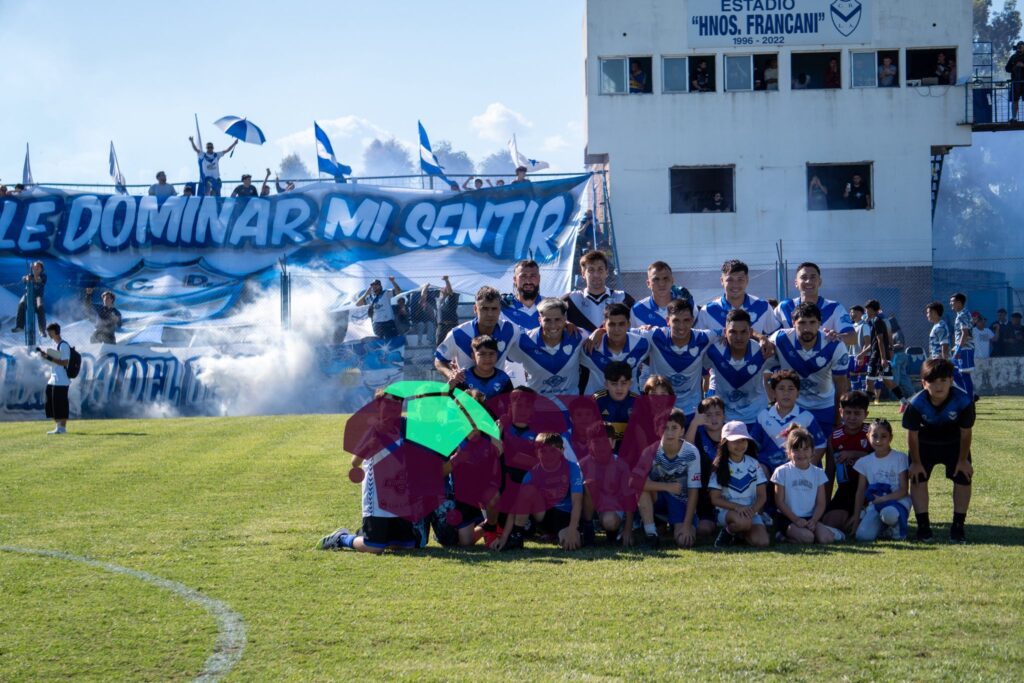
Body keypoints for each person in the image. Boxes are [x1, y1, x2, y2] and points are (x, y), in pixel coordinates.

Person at [318, 393, 428, 553]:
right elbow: (354, 462)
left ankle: (367, 534)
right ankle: (341, 538)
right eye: (388, 404)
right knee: (374, 548)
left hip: (399, 497)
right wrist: (370, 445)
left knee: (406, 546)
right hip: (377, 497)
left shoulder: (405, 426)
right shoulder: (374, 429)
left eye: (397, 404)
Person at [903, 358, 975, 543]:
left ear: (951, 380)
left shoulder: (963, 401)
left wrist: (963, 460)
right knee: (917, 478)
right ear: (923, 383)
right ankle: (923, 527)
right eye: (933, 381)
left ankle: (958, 527)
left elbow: (966, 433)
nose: (938, 386)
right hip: (925, 444)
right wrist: (916, 463)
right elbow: (912, 435)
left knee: (963, 476)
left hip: (954, 444)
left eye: (943, 380)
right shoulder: (915, 404)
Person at [767, 302, 851, 436]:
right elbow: (764, 367)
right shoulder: (780, 339)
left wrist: (837, 417)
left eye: (812, 322)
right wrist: (773, 400)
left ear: (819, 323)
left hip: (824, 406)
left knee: (828, 446)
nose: (807, 328)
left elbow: (841, 384)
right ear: (793, 323)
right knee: (790, 447)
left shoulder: (834, 344)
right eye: (802, 323)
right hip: (792, 407)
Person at [493, 432, 584, 551]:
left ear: (562, 451)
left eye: (553, 451)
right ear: (537, 453)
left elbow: (577, 502)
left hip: (565, 515)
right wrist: (504, 537)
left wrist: (572, 530)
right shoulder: (532, 474)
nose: (548, 455)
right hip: (543, 516)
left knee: (573, 544)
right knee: (527, 490)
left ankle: (562, 534)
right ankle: (517, 535)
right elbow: (515, 507)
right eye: (543, 451)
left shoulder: (572, 468)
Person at [637, 409, 704, 548]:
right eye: (665, 428)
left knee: (684, 541)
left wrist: (687, 525)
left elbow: (693, 491)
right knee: (641, 490)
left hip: (681, 501)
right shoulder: (650, 450)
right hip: (658, 499)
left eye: (674, 428)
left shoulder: (691, 452)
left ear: (682, 431)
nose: (669, 433)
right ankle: (651, 534)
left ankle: (677, 525)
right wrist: (666, 487)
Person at [639, 299, 714, 417]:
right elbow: (621, 333)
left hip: (692, 411)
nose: (681, 326)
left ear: (692, 320)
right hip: (659, 411)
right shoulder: (654, 335)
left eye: (686, 320)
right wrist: (601, 332)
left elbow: (729, 332)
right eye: (676, 320)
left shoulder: (704, 337)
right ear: (667, 321)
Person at [771, 428, 843, 544]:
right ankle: (783, 536)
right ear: (788, 452)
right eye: (796, 449)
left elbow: (821, 503)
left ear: (813, 451)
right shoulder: (781, 471)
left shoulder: (818, 473)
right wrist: (796, 520)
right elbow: (779, 502)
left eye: (805, 449)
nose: (801, 454)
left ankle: (818, 531)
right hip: (788, 518)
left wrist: (814, 520)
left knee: (827, 539)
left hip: (810, 518)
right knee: (808, 538)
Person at [703, 309, 771, 427]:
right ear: (725, 332)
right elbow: (699, 370)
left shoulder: (763, 351)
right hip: (723, 418)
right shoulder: (713, 351)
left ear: (750, 332)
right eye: (733, 332)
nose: (738, 337)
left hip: (757, 416)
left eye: (743, 332)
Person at [750, 370, 827, 475]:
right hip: (768, 468)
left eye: (791, 389)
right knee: (760, 471)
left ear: (798, 393)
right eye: (781, 388)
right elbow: (753, 445)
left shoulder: (806, 417)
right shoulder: (763, 416)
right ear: (774, 392)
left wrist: (806, 466)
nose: (786, 393)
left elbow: (820, 445)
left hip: (796, 469)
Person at [708, 421, 770, 548]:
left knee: (762, 542)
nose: (740, 444)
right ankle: (728, 532)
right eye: (734, 441)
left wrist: (752, 511)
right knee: (743, 522)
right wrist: (737, 507)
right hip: (728, 512)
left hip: (750, 512)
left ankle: (739, 535)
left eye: (743, 440)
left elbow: (762, 495)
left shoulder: (754, 463)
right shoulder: (718, 466)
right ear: (725, 442)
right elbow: (715, 499)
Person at [505, 297, 584, 397]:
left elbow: (603, 340)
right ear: (540, 320)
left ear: (565, 319)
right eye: (547, 320)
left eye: (557, 319)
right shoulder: (524, 340)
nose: (553, 325)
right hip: (535, 406)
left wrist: (600, 331)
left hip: (570, 405)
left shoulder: (579, 336)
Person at [435, 286, 518, 381]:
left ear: (500, 309)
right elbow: (439, 360)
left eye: (494, 309)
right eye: (484, 309)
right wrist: (451, 374)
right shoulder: (458, 334)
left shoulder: (510, 330)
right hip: (466, 389)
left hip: (498, 389)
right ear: (475, 308)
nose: (490, 314)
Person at [849, 419, 911, 542]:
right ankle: (882, 527)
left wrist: (883, 499)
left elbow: (904, 490)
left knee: (889, 514)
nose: (878, 440)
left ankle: (895, 528)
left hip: (897, 501)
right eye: (874, 436)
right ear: (868, 436)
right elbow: (860, 492)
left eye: (883, 436)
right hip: (876, 504)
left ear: (890, 438)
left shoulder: (900, 458)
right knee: (862, 536)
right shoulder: (864, 462)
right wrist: (856, 520)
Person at [821, 391, 873, 532]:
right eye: (848, 412)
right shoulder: (834, 437)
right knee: (829, 522)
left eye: (857, 413)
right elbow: (830, 472)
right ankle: (855, 516)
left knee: (864, 529)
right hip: (847, 488)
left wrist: (854, 454)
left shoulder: (872, 433)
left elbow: (881, 459)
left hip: (871, 487)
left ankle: (863, 514)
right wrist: (825, 505)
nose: (852, 417)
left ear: (866, 414)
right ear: (841, 412)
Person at [774, 262, 855, 345]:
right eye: (804, 277)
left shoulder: (834, 308)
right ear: (796, 283)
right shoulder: (783, 308)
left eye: (813, 277)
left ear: (820, 281)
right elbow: (770, 336)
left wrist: (836, 337)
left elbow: (852, 337)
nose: (808, 281)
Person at [697, 259, 780, 338]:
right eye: (730, 280)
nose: (735, 285)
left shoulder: (763, 307)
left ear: (747, 280)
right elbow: (699, 342)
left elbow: (774, 340)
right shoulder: (707, 311)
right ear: (722, 281)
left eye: (740, 279)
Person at [581, 303, 649, 395]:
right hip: (595, 402)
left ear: (628, 324)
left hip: (631, 402)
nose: (617, 329)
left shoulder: (642, 344)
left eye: (621, 324)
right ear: (604, 325)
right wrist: (568, 324)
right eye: (612, 324)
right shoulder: (589, 346)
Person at [684, 395, 727, 540]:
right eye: (708, 415)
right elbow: (686, 450)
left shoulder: (731, 434)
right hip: (705, 496)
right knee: (704, 530)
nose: (714, 418)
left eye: (718, 414)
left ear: (724, 415)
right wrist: (694, 423)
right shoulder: (698, 434)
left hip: (729, 494)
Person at [562, 250, 633, 332]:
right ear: (583, 274)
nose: (596, 275)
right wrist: (566, 323)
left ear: (607, 272)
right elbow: (551, 316)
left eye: (600, 269)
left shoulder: (623, 298)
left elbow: (636, 324)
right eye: (591, 270)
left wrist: (643, 327)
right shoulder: (571, 298)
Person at [862, 299, 909, 407]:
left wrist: (883, 358)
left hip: (877, 356)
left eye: (867, 309)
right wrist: (890, 351)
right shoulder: (882, 320)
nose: (866, 312)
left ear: (871, 310)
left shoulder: (877, 321)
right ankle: (904, 402)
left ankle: (864, 406)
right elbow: (889, 337)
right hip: (882, 355)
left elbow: (880, 340)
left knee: (869, 381)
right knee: (888, 381)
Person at [630, 260, 694, 329]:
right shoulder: (637, 310)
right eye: (656, 279)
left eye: (665, 278)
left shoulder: (688, 304)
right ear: (648, 283)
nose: (661, 284)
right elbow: (630, 334)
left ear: (672, 281)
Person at [448, 335, 513, 400]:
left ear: (497, 355)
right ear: (473, 356)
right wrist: (449, 388)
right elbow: (449, 401)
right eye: (482, 354)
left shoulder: (503, 379)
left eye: (491, 353)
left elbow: (511, 402)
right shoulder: (463, 377)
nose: (487, 358)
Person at [592, 360, 638, 450]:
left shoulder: (638, 403)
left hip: (629, 452)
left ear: (630, 384)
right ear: (606, 384)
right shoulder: (596, 400)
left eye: (623, 383)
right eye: (614, 384)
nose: (619, 388)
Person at [36, 322, 71, 435]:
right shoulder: (56, 345)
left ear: (55, 332)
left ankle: (62, 428)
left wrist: (49, 358)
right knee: (51, 405)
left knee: (61, 404)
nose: (49, 334)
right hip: (54, 379)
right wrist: (45, 356)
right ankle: (58, 427)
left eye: (50, 332)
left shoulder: (63, 345)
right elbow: (55, 361)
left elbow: (65, 362)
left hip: (62, 380)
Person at [501, 259, 543, 330]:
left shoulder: (551, 307)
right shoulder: (502, 308)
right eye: (523, 276)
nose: (528, 281)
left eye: (533, 276)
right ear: (515, 280)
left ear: (539, 278)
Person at [949, 293, 974, 400]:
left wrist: (959, 349)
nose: (950, 304)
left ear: (959, 303)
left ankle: (969, 399)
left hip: (965, 349)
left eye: (952, 302)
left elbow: (965, 333)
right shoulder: (961, 314)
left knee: (965, 374)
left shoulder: (963, 315)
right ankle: (966, 395)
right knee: (953, 372)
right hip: (961, 347)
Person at [12, 260, 46, 334]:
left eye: (38, 267)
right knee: (21, 304)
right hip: (28, 295)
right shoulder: (29, 275)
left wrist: (34, 275)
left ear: (41, 269)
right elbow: (24, 279)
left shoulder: (43, 276)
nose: (36, 268)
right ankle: (20, 326)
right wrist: (25, 278)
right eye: (35, 267)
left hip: (38, 297)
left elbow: (38, 280)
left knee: (40, 307)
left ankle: (42, 330)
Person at [434, 275, 461, 347]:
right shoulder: (439, 301)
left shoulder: (451, 298)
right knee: (439, 345)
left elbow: (450, 292)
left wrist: (446, 280)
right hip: (441, 326)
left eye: (445, 287)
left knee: (453, 345)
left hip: (451, 325)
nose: (442, 288)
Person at [1007, 42, 1024, 121]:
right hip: (1015, 82)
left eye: (1021, 47)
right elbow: (1007, 68)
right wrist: (1014, 67)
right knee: (1014, 100)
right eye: (1019, 47)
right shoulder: (1013, 57)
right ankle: (1014, 118)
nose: (1020, 48)